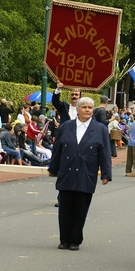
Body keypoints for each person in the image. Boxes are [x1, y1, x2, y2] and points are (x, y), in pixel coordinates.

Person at [47, 96, 111, 250]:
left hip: (86, 172)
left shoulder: (100, 129)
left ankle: (75, 239)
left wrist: (106, 174)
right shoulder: (66, 126)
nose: (87, 110)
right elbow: (57, 149)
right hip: (66, 172)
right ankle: (64, 239)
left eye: (90, 108)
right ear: (78, 110)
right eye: (84, 107)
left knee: (80, 208)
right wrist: (53, 168)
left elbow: (105, 152)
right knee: (65, 208)